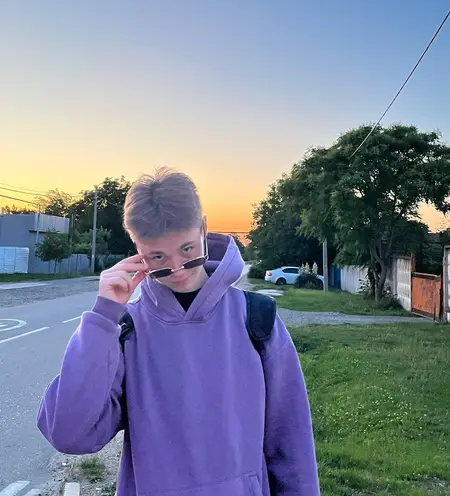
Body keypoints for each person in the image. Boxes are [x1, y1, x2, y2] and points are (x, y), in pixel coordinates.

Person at [37, 168, 320, 495]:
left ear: (203, 229)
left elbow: (292, 443)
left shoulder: (256, 318)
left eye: (187, 250)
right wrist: (103, 317)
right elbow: (69, 434)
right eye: (158, 257)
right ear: (137, 248)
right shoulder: (127, 330)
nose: (177, 270)